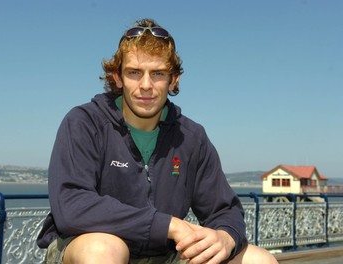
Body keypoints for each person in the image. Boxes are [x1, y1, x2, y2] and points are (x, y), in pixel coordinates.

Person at [37, 18, 278, 264]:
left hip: (162, 253)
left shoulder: (191, 137)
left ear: (173, 81)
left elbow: (224, 209)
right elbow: (72, 206)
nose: (145, 85)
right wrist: (167, 225)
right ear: (118, 78)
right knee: (105, 249)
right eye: (134, 73)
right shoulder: (85, 123)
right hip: (86, 247)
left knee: (260, 260)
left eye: (158, 74)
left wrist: (226, 237)